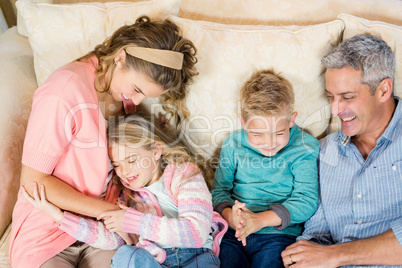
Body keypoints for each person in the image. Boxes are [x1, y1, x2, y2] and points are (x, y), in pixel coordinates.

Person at [10, 16, 198, 268]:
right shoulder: (63, 92)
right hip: (49, 229)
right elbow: (33, 182)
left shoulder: (122, 95)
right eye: (137, 89)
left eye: (145, 95)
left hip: (103, 233)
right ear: (120, 57)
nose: (137, 100)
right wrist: (109, 213)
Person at [22, 113, 228, 268]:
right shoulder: (127, 196)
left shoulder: (184, 174)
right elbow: (113, 239)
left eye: (131, 160)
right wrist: (61, 218)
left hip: (196, 258)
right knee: (124, 255)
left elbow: (196, 233)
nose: (125, 172)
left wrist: (133, 220)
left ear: (156, 151)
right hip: (153, 260)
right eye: (117, 165)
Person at [281, 34, 402, 268]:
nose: (336, 110)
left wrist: (336, 255)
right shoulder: (323, 152)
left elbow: (328, 255)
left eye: (347, 97)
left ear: (384, 90)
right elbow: (316, 235)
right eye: (331, 97)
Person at [212, 69, 320, 268]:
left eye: (279, 133)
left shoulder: (305, 146)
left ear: (292, 120)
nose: (269, 143)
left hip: (277, 236)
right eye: (258, 134)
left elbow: (307, 199)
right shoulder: (233, 144)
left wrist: (260, 220)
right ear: (244, 123)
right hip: (233, 233)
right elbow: (219, 191)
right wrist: (231, 217)